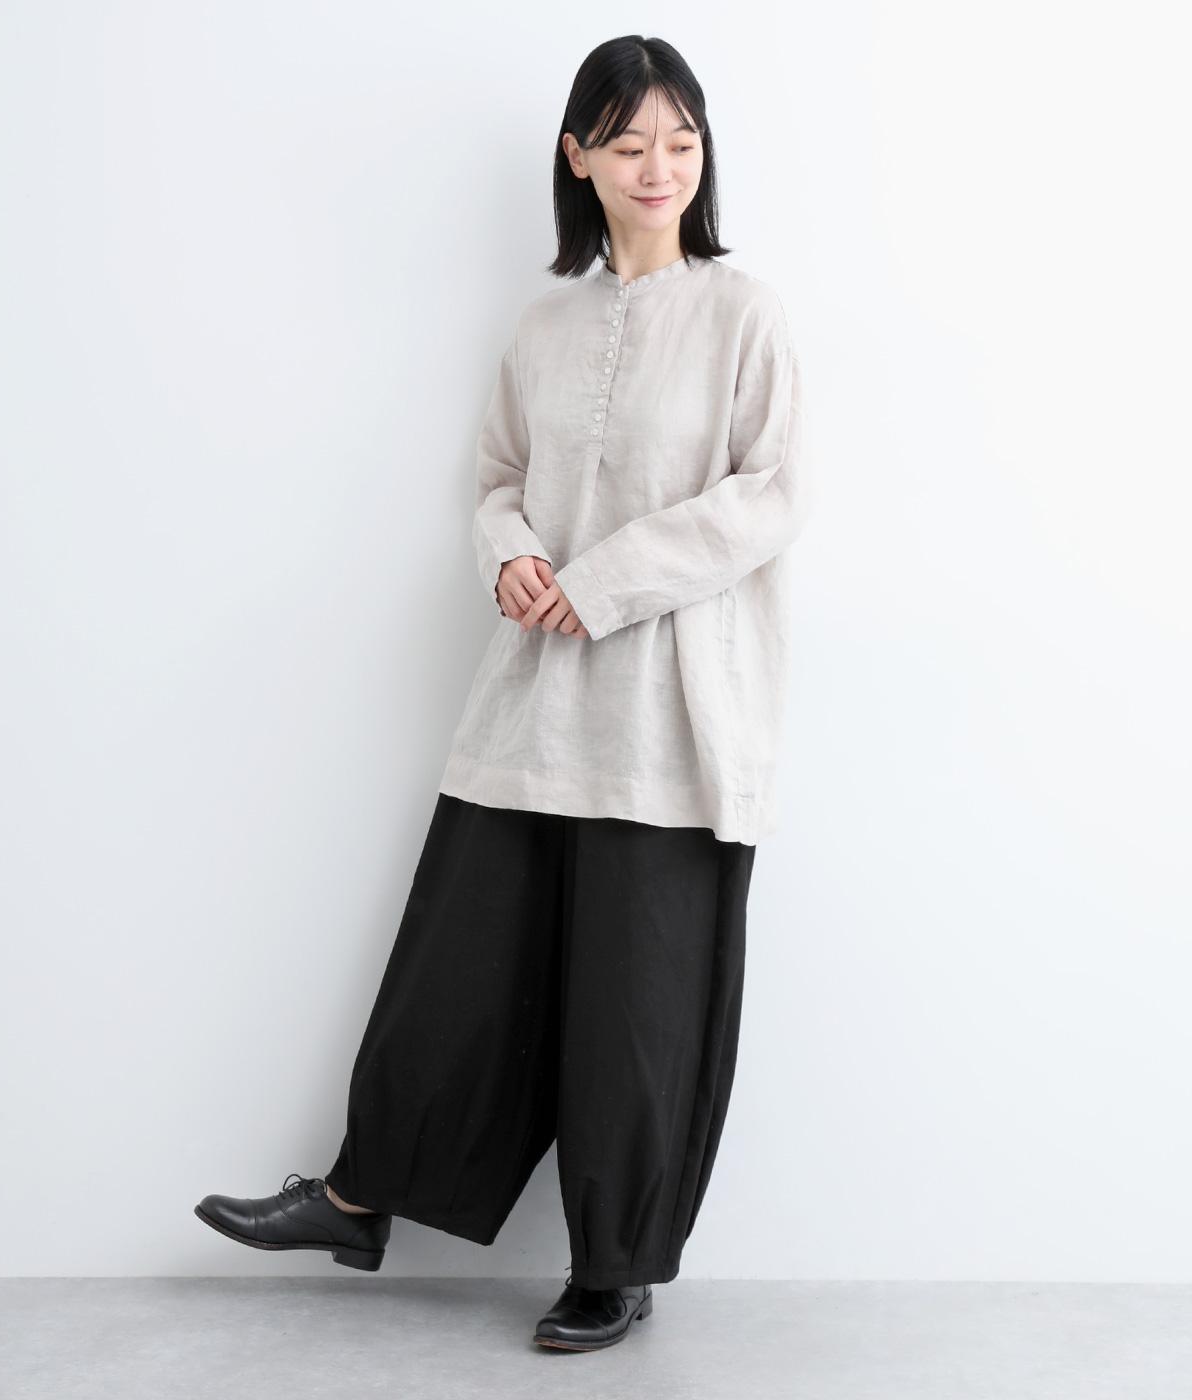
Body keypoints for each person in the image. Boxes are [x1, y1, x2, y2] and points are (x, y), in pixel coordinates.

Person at [195, 33, 810, 1354]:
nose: (660, 167)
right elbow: (495, 482)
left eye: (682, 140)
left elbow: (769, 498)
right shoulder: (543, 327)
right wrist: (513, 556)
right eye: (630, 142)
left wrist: (604, 580)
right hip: (532, 707)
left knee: (637, 1013)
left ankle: (615, 1266)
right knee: (458, 967)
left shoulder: (743, 314)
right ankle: (358, 1198)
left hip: (671, 722)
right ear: (578, 156)